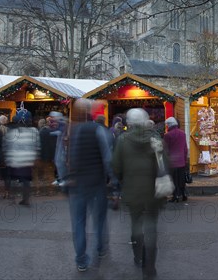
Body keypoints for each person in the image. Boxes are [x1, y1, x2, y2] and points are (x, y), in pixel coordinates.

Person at [113, 108, 168, 279]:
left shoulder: (122, 140)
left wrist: (123, 179)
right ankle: (149, 267)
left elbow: (116, 167)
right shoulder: (155, 139)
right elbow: (165, 163)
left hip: (132, 191)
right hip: (153, 193)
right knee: (151, 228)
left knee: (136, 225)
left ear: (129, 122)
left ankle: (138, 255)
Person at [65, 99, 113, 272]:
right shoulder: (98, 130)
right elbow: (107, 157)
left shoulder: (71, 130)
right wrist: (112, 178)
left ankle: (81, 259)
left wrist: (66, 177)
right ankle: (100, 248)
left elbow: (63, 157)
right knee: (99, 219)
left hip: (76, 183)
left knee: (78, 222)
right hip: (96, 182)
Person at [3, 109, 39, 207]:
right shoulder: (34, 132)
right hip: (28, 160)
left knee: (13, 178)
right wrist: (35, 157)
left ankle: (13, 198)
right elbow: (37, 146)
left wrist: (7, 158)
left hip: (15, 160)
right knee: (26, 180)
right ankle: (25, 199)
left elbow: (7, 146)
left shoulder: (12, 132)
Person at [163, 117, 188, 203]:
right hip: (181, 161)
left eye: (166, 125)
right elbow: (185, 148)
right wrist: (185, 159)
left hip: (172, 162)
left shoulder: (167, 135)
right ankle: (184, 194)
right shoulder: (183, 134)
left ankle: (176, 196)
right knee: (181, 179)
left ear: (169, 125)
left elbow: (165, 149)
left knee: (174, 180)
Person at [36, 115, 59, 194]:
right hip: (51, 156)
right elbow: (55, 145)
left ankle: (38, 191)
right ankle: (50, 190)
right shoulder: (53, 132)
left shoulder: (41, 131)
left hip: (42, 155)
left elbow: (38, 144)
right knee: (50, 174)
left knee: (39, 174)